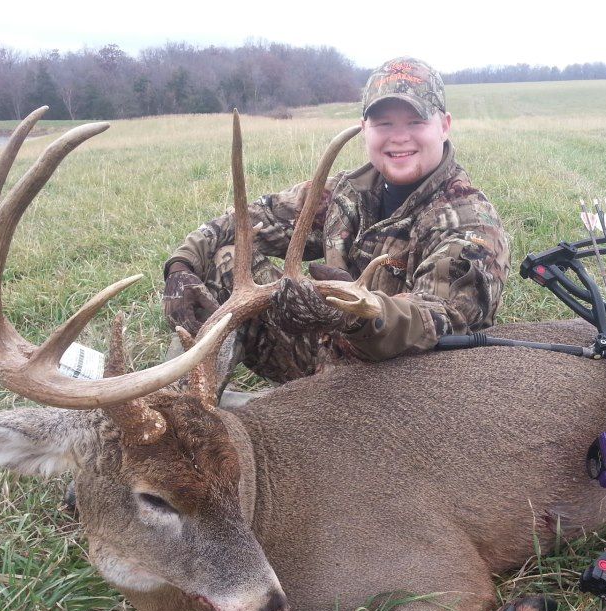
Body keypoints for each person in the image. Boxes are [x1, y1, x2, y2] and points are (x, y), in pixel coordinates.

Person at [162, 57, 511, 384]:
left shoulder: (468, 223)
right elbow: (254, 218)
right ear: (365, 129)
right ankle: (189, 409)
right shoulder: (347, 192)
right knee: (226, 258)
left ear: (444, 126)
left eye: (415, 122)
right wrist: (181, 267)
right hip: (330, 356)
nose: (399, 136)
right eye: (384, 123)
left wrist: (358, 313)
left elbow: (443, 320)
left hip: (408, 386)